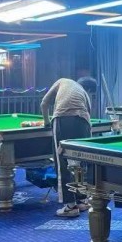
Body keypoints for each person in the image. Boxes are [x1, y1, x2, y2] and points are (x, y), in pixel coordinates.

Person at [41, 77, 97, 218]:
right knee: (81, 162)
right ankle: (82, 200)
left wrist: (47, 122)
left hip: (62, 119)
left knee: (62, 163)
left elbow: (44, 103)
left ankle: (70, 206)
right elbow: (88, 116)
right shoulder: (84, 94)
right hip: (84, 123)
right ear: (89, 89)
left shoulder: (62, 81)